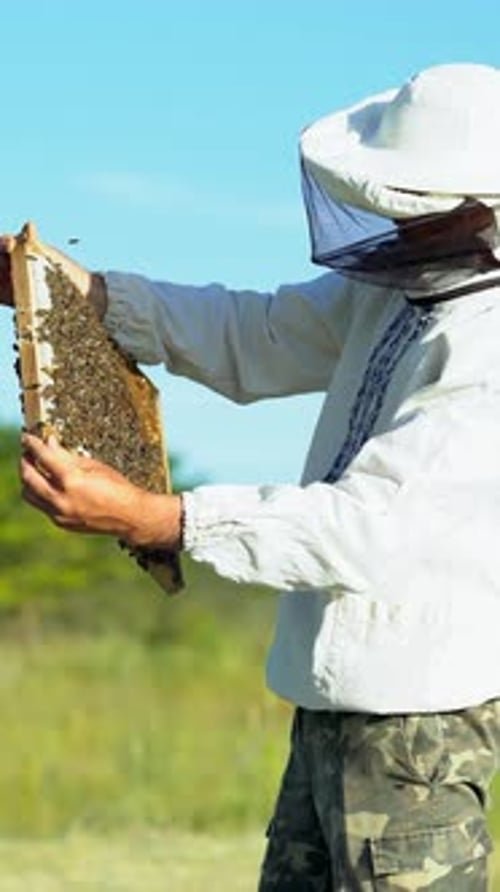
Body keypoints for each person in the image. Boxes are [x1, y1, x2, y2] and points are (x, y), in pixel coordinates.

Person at [3, 62, 500, 890]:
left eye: (421, 212)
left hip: (418, 724)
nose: (398, 229)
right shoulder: (398, 290)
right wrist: (86, 296)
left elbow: (365, 528)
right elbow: (260, 333)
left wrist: (159, 519)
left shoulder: (489, 349)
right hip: (330, 706)